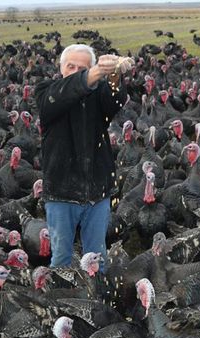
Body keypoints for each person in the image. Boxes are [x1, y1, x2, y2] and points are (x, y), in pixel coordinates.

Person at [35, 44, 132, 270]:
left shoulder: (98, 95)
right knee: (61, 257)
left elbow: (115, 101)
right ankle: (62, 300)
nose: (77, 71)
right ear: (61, 70)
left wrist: (115, 75)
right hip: (61, 190)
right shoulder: (47, 92)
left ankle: (97, 301)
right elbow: (59, 97)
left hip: (97, 190)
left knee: (97, 256)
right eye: (71, 66)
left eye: (83, 67)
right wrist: (97, 71)